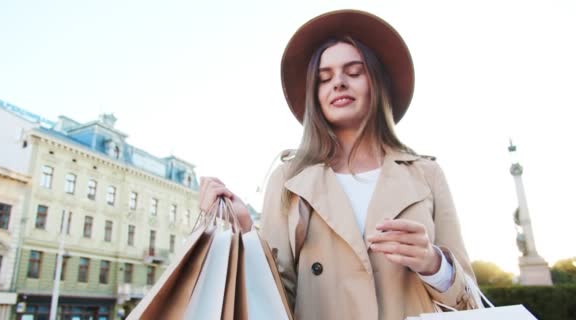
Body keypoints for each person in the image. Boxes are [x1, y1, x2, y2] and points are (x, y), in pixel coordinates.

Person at [199, 9, 482, 320]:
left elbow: (470, 303)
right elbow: (273, 299)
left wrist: (434, 264)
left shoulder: (426, 174)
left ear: (377, 82)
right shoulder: (289, 179)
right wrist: (246, 233)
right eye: (324, 78)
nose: (338, 83)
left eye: (354, 71)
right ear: (315, 94)